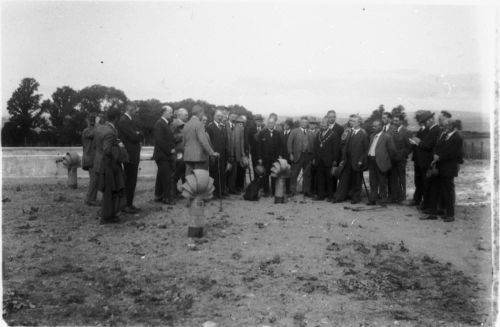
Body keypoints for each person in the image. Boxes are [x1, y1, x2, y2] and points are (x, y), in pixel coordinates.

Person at [424, 119, 463, 222]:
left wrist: (439, 157)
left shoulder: (456, 138)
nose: (445, 127)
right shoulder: (446, 135)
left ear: (453, 126)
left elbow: (453, 154)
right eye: (445, 126)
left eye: (447, 126)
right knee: (435, 189)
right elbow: (437, 147)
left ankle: (450, 215)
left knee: (447, 192)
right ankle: (433, 213)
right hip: (440, 167)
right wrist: (436, 155)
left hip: (448, 168)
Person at [95, 108, 128, 224]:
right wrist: (120, 147)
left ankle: (108, 214)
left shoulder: (99, 128)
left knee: (108, 191)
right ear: (116, 118)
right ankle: (107, 216)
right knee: (110, 191)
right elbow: (107, 150)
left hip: (100, 163)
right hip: (109, 164)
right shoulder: (110, 132)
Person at [333, 115, 369, 204]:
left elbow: (366, 150)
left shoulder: (363, 134)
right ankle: (339, 197)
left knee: (357, 180)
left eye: (353, 121)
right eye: (350, 121)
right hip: (346, 160)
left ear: (359, 122)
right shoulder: (348, 132)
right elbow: (342, 144)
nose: (351, 122)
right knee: (343, 179)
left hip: (357, 162)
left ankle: (355, 198)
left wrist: (361, 160)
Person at [410, 111, 441, 215]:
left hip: (427, 160)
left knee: (428, 184)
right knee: (425, 183)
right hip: (423, 160)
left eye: (425, 121)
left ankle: (428, 205)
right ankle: (426, 204)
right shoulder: (430, 129)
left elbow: (428, 145)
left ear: (430, 120)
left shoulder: (435, 130)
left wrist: (418, 142)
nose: (424, 124)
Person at [117, 102, 143, 214]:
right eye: (135, 110)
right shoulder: (124, 121)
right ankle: (127, 205)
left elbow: (137, 134)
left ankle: (128, 204)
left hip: (131, 154)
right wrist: (139, 135)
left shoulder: (127, 120)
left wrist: (138, 134)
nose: (136, 112)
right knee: (130, 180)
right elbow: (134, 137)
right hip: (130, 155)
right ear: (131, 109)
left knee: (131, 180)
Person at [182, 104, 219, 176]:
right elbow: (203, 141)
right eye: (203, 113)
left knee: (190, 180)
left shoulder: (186, 124)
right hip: (199, 158)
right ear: (200, 112)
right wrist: (211, 152)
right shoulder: (199, 124)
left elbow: (184, 141)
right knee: (200, 181)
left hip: (188, 157)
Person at [366, 120, 396, 205]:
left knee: (382, 181)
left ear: (381, 127)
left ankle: (383, 199)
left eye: (375, 126)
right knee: (372, 181)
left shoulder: (387, 137)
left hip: (381, 162)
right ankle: (372, 199)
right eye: (373, 126)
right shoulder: (372, 135)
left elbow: (392, 151)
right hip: (371, 160)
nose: (373, 128)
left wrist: (386, 161)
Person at [313, 118, 341, 201]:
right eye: (321, 124)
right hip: (319, 160)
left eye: (324, 124)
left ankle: (330, 196)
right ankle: (320, 195)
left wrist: (335, 161)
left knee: (329, 179)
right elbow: (316, 147)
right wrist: (315, 158)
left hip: (329, 161)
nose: (323, 126)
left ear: (328, 124)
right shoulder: (318, 133)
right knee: (320, 178)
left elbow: (336, 149)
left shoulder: (333, 134)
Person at [153, 105, 176, 205]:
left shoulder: (164, 123)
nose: (171, 114)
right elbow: (159, 140)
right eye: (170, 112)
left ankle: (158, 195)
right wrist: (170, 150)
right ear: (164, 112)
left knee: (161, 175)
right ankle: (166, 197)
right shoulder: (160, 124)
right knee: (166, 176)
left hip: (163, 155)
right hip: (162, 155)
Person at [287, 116, 315, 197]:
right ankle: (292, 190)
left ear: (307, 123)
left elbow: (313, 145)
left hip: (308, 156)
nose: (304, 124)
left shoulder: (311, 133)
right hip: (297, 155)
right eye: (303, 122)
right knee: (294, 174)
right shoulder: (294, 131)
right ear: (300, 123)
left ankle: (306, 191)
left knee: (307, 174)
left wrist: (312, 157)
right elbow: (289, 143)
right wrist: (290, 153)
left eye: (306, 122)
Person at [257, 117, 284, 196]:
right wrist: (259, 158)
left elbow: (280, 146)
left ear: (274, 124)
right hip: (265, 158)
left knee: (274, 175)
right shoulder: (262, 133)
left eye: (272, 123)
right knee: (265, 175)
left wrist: (280, 155)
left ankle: (273, 191)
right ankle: (266, 191)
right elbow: (259, 147)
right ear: (267, 124)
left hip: (275, 159)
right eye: (269, 123)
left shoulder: (278, 133)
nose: (270, 124)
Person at [206, 110, 230, 198]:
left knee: (222, 174)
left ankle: (221, 191)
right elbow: (208, 142)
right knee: (214, 174)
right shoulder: (210, 127)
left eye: (221, 116)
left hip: (223, 155)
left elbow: (226, 142)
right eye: (218, 116)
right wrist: (212, 154)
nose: (219, 117)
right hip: (214, 155)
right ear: (214, 116)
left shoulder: (223, 127)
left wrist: (227, 156)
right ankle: (214, 193)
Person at [389, 114, 412, 203]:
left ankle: (402, 197)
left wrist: (402, 155)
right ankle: (394, 197)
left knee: (401, 178)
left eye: (396, 121)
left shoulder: (406, 132)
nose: (394, 122)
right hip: (392, 159)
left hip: (401, 159)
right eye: (393, 121)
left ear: (401, 121)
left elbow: (409, 147)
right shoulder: (392, 131)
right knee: (393, 178)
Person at [408, 111, 427, 206]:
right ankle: (417, 199)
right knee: (418, 181)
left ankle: (423, 201)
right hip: (418, 159)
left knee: (424, 181)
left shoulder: (427, 130)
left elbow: (424, 144)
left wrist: (417, 141)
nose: (418, 121)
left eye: (419, 119)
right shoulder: (421, 129)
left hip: (423, 159)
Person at [82, 112, 100, 206]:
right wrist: (97, 124)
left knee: (96, 179)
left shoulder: (94, 129)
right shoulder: (86, 131)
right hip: (90, 159)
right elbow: (92, 134)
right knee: (94, 179)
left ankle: (93, 198)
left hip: (94, 159)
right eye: (92, 119)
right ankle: (89, 199)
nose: (93, 120)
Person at [227, 113, 246, 194]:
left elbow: (242, 141)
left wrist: (242, 153)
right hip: (227, 153)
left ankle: (232, 188)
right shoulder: (225, 125)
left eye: (235, 116)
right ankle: (225, 188)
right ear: (229, 116)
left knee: (234, 173)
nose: (234, 118)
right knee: (226, 171)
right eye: (232, 116)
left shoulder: (240, 128)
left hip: (236, 154)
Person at [171, 108, 189, 191]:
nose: (187, 116)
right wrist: (183, 136)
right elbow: (171, 137)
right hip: (179, 152)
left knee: (184, 171)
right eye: (186, 115)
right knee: (177, 171)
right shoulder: (175, 124)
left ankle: (183, 190)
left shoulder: (185, 124)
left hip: (184, 152)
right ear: (180, 115)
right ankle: (173, 190)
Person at [282, 118, 294, 195]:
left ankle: (288, 190)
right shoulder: (280, 133)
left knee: (288, 173)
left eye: (286, 125)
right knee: (282, 173)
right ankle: (281, 189)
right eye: (284, 124)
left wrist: (291, 154)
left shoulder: (292, 134)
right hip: (281, 157)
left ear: (289, 126)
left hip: (289, 156)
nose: (285, 126)